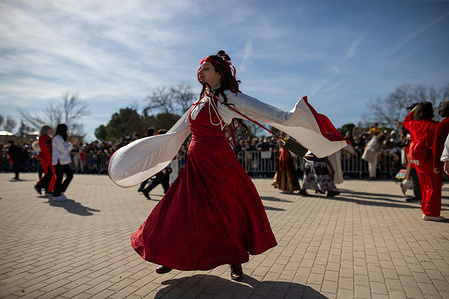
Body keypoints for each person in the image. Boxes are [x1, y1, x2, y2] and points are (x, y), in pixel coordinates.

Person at [108, 51, 347, 281]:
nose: (200, 71)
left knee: (227, 208)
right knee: (181, 208)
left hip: (219, 163)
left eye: (206, 68)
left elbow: (272, 114)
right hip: (195, 163)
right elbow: (174, 134)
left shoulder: (231, 99)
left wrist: (295, 119)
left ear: (220, 73)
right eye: (200, 68)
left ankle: (235, 260)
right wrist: (142, 156)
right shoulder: (199, 102)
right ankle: (169, 255)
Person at [403, 102, 444, 222]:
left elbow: (406, 120)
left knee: (425, 186)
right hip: (430, 160)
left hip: (417, 160)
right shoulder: (435, 125)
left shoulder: (413, 124)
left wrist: (413, 110)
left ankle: (426, 209)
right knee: (433, 187)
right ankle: (431, 212)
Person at [52, 124, 78, 201]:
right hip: (59, 161)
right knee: (59, 177)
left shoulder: (62, 139)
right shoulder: (58, 138)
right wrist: (71, 144)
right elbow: (63, 150)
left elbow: (67, 149)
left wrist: (70, 144)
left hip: (64, 161)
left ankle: (60, 191)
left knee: (70, 175)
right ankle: (56, 194)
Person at [34, 125, 55, 196]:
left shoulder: (46, 138)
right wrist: (49, 157)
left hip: (48, 158)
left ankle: (47, 189)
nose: (51, 131)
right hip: (47, 158)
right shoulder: (44, 138)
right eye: (49, 129)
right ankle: (40, 186)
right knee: (50, 173)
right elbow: (46, 148)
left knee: (50, 174)